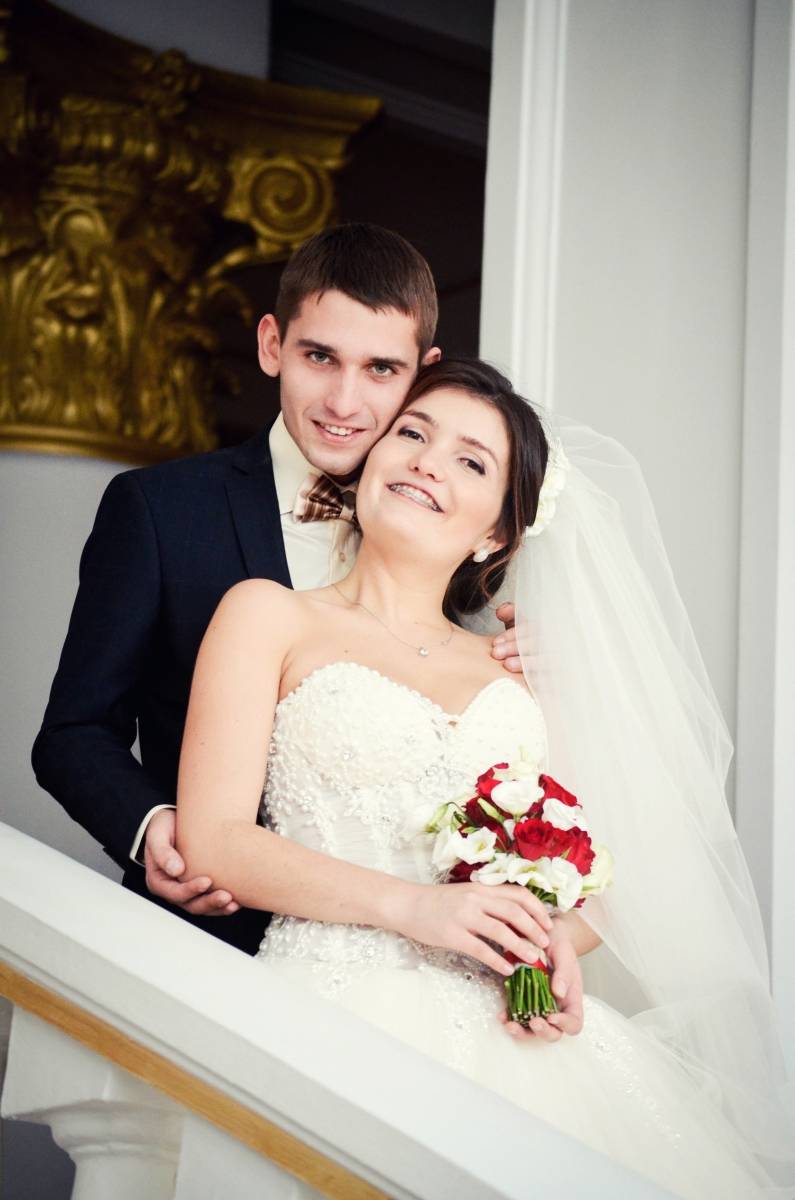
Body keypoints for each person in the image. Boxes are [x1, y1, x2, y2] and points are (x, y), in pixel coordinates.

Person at [176, 358, 794, 1198]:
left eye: (470, 461)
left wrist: (549, 947)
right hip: (328, 1007)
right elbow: (214, 838)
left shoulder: (522, 673)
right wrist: (414, 907)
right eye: (412, 433)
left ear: (497, 533)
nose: (427, 462)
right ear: (370, 459)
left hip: (516, 1040)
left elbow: (596, 877)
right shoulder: (266, 612)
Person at [30, 224, 526, 957]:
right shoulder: (161, 510)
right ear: (272, 345)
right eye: (319, 356)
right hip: (204, 931)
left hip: (405, 953)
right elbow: (73, 733)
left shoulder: (449, 525)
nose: (344, 400)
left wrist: (538, 661)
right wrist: (151, 827)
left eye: (381, 369)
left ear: (421, 375)